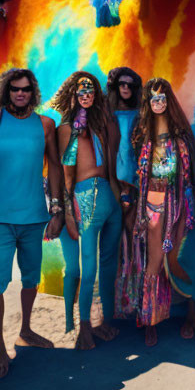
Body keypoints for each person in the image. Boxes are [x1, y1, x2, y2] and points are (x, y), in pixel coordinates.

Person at [0, 68, 64, 379]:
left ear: (33, 93)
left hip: (34, 216)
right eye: (15, 89)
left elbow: (55, 167)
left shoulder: (46, 125)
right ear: (7, 92)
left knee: (31, 279)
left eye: (26, 90)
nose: (21, 94)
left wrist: (57, 209)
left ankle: (27, 331)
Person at [118, 78, 195, 346]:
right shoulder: (142, 136)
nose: (158, 103)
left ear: (168, 101)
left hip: (180, 200)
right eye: (153, 99)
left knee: (177, 259)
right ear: (148, 103)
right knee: (154, 262)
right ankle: (150, 320)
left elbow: (191, 175)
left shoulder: (182, 136)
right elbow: (132, 172)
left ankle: (193, 315)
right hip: (153, 200)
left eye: (162, 98)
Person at [52, 72, 121, 349]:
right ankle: (84, 327)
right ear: (72, 94)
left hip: (110, 197)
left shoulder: (101, 124)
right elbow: (67, 176)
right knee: (89, 266)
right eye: (81, 91)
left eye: (91, 91)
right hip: (86, 197)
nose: (86, 95)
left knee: (109, 264)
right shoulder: (68, 128)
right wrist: (68, 212)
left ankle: (104, 321)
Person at [106, 67, 143, 309]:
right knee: (114, 241)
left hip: (137, 182)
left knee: (135, 238)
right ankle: (116, 302)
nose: (126, 88)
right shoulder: (107, 115)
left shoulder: (142, 115)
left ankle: (135, 298)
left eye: (130, 84)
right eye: (122, 83)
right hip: (112, 181)